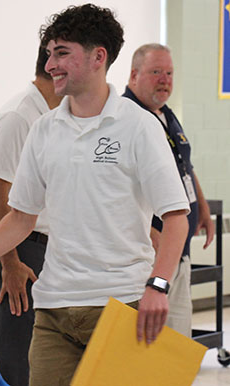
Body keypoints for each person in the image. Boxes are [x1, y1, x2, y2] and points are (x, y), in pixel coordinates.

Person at [0, 4, 190, 385]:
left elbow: (176, 217)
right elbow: (20, 217)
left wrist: (158, 285)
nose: (50, 65)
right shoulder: (44, 130)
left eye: (62, 53)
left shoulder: (139, 127)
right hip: (54, 310)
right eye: (49, 54)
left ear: (99, 57)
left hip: (122, 304)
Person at [0, 45, 62, 386]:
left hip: (47, 250)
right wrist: (10, 264)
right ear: (54, 67)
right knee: (18, 366)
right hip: (19, 252)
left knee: (46, 363)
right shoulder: (18, 116)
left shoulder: (56, 116)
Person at [123, 43, 215, 337]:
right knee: (151, 339)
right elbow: (118, 186)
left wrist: (202, 209)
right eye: (156, 72)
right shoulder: (125, 119)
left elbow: (184, 165)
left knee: (178, 336)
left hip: (180, 246)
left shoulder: (165, 114)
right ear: (134, 75)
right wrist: (151, 232)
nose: (165, 80)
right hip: (150, 253)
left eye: (169, 73)